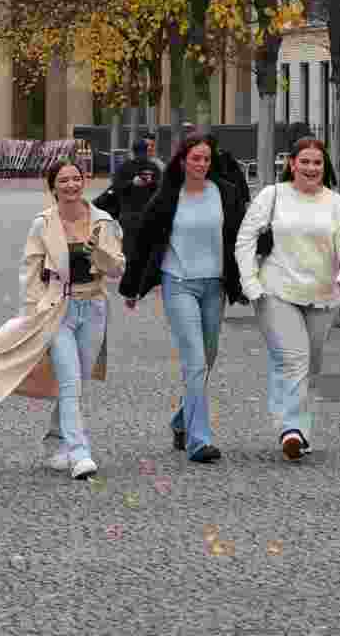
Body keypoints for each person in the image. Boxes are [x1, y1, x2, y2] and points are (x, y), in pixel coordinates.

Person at [0, 159, 125, 480]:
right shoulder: (43, 224)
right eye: (64, 180)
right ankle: (79, 453)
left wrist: (97, 254)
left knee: (79, 380)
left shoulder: (103, 222)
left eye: (76, 179)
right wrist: (34, 311)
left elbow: (116, 268)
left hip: (94, 307)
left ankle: (55, 439)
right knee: (70, 380)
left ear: (84, 182)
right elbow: (29, 271)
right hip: (57, 310)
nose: (72, 185)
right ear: (53, 187)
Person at [234, 136, 340, 462]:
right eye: (304, 161)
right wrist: (250, 282)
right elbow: (246, 238)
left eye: (317, 162)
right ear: (292, 164)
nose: (311, 167)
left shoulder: (334, 203)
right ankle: (290, 429)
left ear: (324, 167)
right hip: (276, 291)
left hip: (322, 295)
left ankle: (299, 432)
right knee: (294, 358)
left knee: (309, 364)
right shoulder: (273, 195)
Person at [119, 131, 249, 463]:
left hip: (214, 286)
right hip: (179, 285)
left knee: (207, 359)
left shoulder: (224, 192)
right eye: (195, 158)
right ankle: (198, 440)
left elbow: (240, 236)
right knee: (193, 361)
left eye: (206, 159)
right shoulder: (167, 197)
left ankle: (181, 420)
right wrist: (132, 287)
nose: (201, 165)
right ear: (182, 160)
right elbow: (144, 242)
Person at [99, 138, 163, 251]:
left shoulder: (124, 167)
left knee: (129, 250)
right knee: (145, 251)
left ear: (132, 151)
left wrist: (135, 183)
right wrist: (134, 183)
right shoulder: (153, 167)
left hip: (129, 217)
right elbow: (161, 189)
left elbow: (116, 187)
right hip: (145, 215)